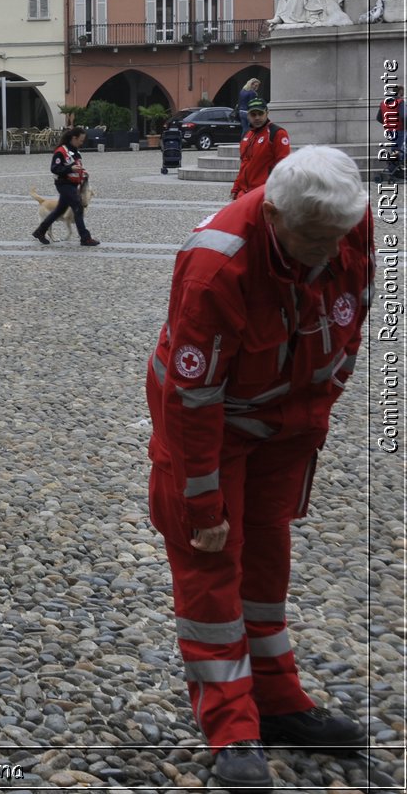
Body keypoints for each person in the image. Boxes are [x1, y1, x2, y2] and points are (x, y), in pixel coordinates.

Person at [146, 146, 372, 789]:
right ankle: (231, 725)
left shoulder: (344, 224)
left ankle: (278, 703)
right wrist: (202, 503)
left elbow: (349, 318)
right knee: (211, 563)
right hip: (211, 429)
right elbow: (191, 398)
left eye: (338, 235)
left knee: (267, 564)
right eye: (314, 238)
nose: (329, 250)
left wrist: (315, 414)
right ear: (272, 214)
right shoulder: (216, 266)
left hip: (283, 429)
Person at [32, 126, 100, 246]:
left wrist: (83, 173)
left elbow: (77, 167)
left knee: (59, 210)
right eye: (80, 140)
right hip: (64, 184)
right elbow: (54, 168)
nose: (81, 142)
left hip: (73, 185)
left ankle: (40, 231)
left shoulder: (75, 152)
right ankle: (85, 238)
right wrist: (69, 168)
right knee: (78, 207)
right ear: (74, 138)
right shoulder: (61, 151)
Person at [230, 99, 291, 200]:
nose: (257, 118)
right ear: (248, 116)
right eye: (253, 114)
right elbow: (244, 165)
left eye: (260, 113)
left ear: (267, 113)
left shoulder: (277, 133)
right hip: (244, 194)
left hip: (264, 192)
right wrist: (236, 189)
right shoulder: (247, 136)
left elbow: (283, 165)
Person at [378, 83, 402, 182]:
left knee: (396, 150)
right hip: (401, 130)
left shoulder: (384, 103)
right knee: (399, 151)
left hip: (390, 130)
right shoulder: (400, 102)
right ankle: (393, 170)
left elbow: (379, 118)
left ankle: (394, 171)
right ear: (399, 92)